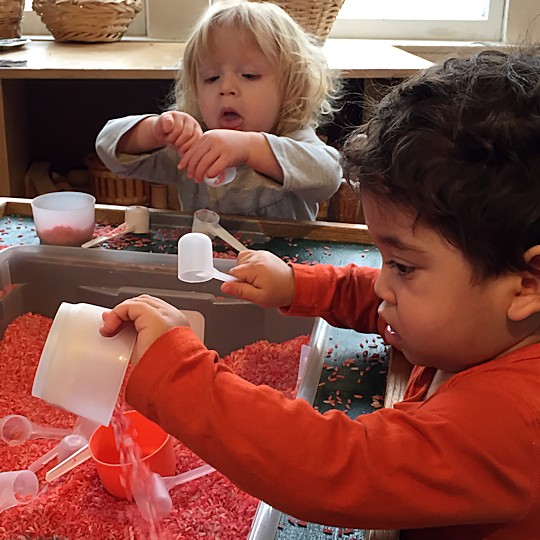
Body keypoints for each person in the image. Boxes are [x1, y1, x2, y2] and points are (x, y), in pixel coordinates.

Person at [100, 49, 540, 538]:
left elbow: (337, 466)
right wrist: (299, 284)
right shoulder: (485, 322)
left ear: (526, 284)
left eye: (402, 266)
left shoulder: (514, 422)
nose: (380, 284)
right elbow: (389, 302)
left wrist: (176, 375)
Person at [95, 0, 342, 220]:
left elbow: (329, 177)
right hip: (204, 269)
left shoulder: (292, 136)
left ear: (291, 87)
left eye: (249, 75)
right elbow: (107, 146)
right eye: (211, 78)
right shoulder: (192, 144)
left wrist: (250, 148)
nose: (225, 87)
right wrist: (155, 131)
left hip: (282, 269)